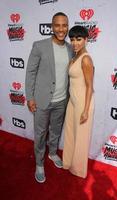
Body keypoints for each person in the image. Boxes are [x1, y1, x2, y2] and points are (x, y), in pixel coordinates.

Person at [25, 12, 73, 183]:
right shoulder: (39, 46)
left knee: (55, 130)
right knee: (40, 133)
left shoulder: (70, 48)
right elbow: (30, 72)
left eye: (64, 25)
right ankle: (39, 163)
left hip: (61, 101)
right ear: (52, 27)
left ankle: (52, 153)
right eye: (57, 25)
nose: (61, 29)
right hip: (42, 100)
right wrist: (30, 97)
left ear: (67, 26)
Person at [63, 25, 94, 178]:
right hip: (72, 101)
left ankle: (78, 169)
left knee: (81, 137)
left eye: (79, 39)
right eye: (73, 39)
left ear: (86, 40)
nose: (75, 43)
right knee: (70, 133)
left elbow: (90, 87)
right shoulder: (74, 57)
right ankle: (68, 162)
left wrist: (86, 110)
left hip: (83, 103)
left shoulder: (86, 59)